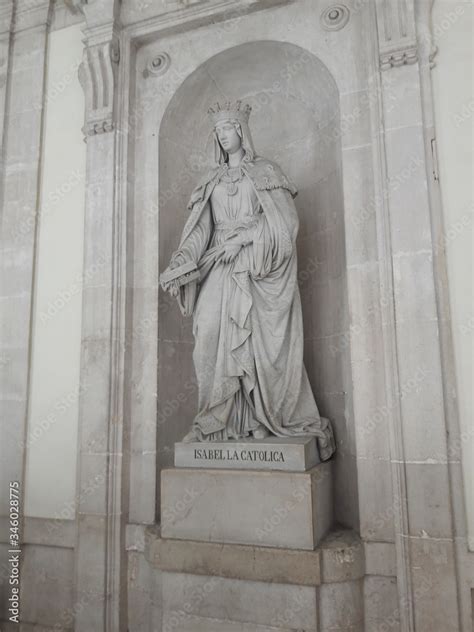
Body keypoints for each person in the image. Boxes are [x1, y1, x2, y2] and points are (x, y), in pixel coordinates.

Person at [161, 100, 335, 461]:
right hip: (217, 268)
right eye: (218, 131)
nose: (223, 136)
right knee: (207, 335)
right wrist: (181, 262)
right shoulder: (210, 182)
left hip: (253, 266)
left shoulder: (266, 172)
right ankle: (215, 421)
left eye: (228, 129)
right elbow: (199, 232)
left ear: (241, 131)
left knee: (255, 342)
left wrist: (241, 239)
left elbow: (285, 224)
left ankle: (259, 418)